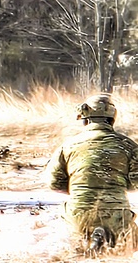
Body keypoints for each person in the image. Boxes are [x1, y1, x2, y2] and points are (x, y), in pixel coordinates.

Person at [45, 93, 138, 253]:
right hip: (117, 216)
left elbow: (53, 183)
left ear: (85, 119)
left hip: (79, 214)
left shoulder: (68, 146)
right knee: (130, 246)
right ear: (112, 118)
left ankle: (88, 240)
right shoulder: (128, 146)